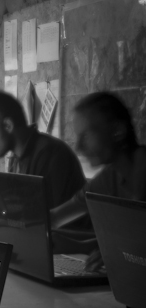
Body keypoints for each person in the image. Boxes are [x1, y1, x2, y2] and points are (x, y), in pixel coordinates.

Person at [50, 91, 146, 270]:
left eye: (86, 136)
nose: (78, 147)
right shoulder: (109, 177)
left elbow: (134, 245)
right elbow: (56, 217)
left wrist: (119, 250)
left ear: (118, 131)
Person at [0, 89, 86, 209]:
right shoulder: (16, 158)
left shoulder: (50, 154)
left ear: (8, 125)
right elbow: (14, 207)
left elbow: (47, 217)